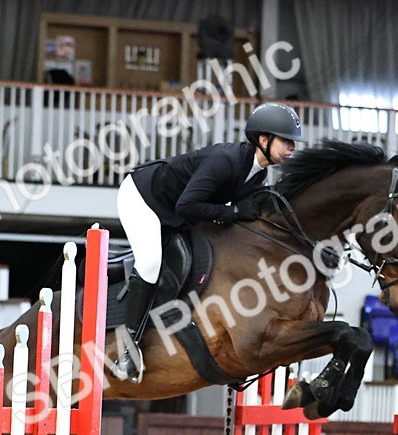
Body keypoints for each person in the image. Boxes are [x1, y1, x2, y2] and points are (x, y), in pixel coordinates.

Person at [112, 102, 304, 382]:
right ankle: (128, 352)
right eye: (287, 141)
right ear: (264, 140)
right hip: (143, 198)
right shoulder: (226, 161)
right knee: (151, 261)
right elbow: (187, 206)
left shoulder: (258, 173)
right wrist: (234, 212)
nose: (292, 149)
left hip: (175, 210)